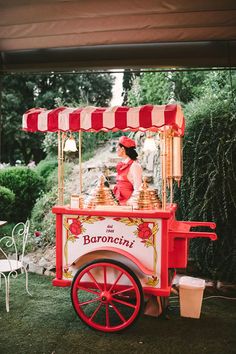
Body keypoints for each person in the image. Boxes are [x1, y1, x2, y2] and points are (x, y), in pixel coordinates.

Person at [113, 136, 142, 205]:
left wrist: (129, 203)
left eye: (117, 147)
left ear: (122, 149)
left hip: (129, 205)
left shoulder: (134, 166)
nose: (116, 149)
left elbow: (138, 189)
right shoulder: (123, 164)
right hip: (119, 202)